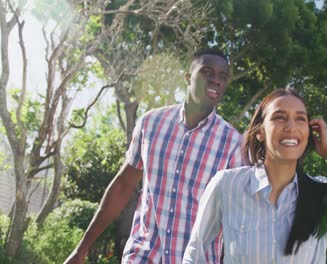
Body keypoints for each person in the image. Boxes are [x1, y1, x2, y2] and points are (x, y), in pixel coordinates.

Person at [183, 88, 327, 263]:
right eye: (279, 117)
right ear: (260, 132)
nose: (291, 127)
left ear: (309, 132)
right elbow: (196, 252)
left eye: (300, 119)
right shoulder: (227, 185)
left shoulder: (321, 196)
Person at [65, 49, 243, 264]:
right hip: (143, 256)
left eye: (222, 76)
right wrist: (82, 249)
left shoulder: (233, 144)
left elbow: (235, 219)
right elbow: (123, 185)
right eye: (207, 72)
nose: (216, 80)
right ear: (188, 77)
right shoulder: (151, 123)